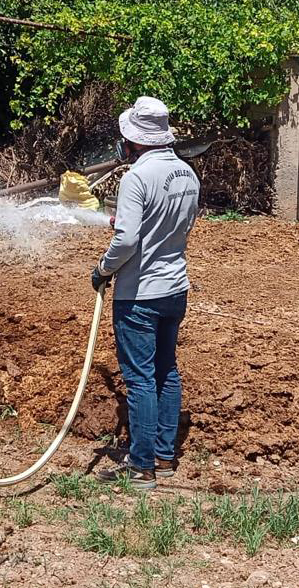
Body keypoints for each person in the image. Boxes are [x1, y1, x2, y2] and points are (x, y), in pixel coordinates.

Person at [91, 96, 200, 490]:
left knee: (139, 380)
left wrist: (103, 269)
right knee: (166, 370)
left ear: (136, 141)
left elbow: (128, 240)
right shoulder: (188, 174)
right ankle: (164, 456)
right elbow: (168, 225)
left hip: (140, 293)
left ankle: (140, 468)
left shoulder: (137, 177)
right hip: (176, 288)